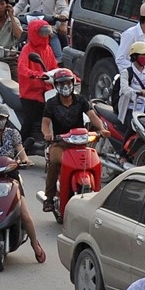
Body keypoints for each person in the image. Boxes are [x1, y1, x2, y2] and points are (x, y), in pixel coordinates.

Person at [0, 110, 45, 262]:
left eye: (2, 118)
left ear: (6, 119)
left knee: (25, 215)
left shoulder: (13, 134)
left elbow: (21, 152)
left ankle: (34, 244)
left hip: (11, 177)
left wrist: (24, 161)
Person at [41, 68, 103, 211]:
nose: (65, 86)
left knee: (94, 163)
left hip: (81, 142)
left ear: (73, 83)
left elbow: (93, 116)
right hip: (60, 142)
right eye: (61, 84)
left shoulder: (80, 100)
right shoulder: (51, 103)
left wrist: (102, 129)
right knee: (54, 162)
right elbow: (45, 123)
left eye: (68, 83)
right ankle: (49, 198)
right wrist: (47, 134)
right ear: (56, 86)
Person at [18, 19, 55, 146]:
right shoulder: (27, 49)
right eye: (42, 33)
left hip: (46, 90)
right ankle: (20, 148)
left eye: (46, 33)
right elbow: (22, 69)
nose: (45, 36)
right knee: (28, 121)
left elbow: (54, 67)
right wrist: (36, 75)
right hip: (30, 92)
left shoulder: (48, 49)